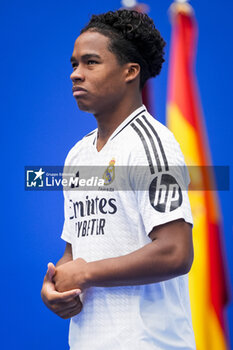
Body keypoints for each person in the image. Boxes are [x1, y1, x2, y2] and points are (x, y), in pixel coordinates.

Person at [41, 9, 196, 350]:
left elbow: (176, 252)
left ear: (130, 71)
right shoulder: (77, 156)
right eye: (74, 64)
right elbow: (75, 253)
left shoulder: (152, 145)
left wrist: (87, 272)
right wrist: (55, 287)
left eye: (91, 63)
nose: (75, 75)